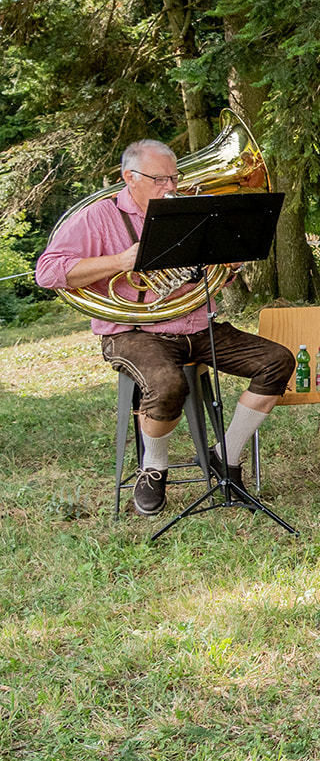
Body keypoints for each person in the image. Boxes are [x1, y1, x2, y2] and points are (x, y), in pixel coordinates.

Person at [34, 139, 294, 516]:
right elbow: (48, 272)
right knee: (167, 384)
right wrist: (119, 261)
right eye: (160, 180)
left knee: (276, 360)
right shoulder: (97, 217)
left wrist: (227, 267)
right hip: (132, 332)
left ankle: (226, 456)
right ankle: (153, 468)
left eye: (173, 177)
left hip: (195, 324)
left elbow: (210, 277)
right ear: (130, 177)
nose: (170, 187)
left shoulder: (188, 209)